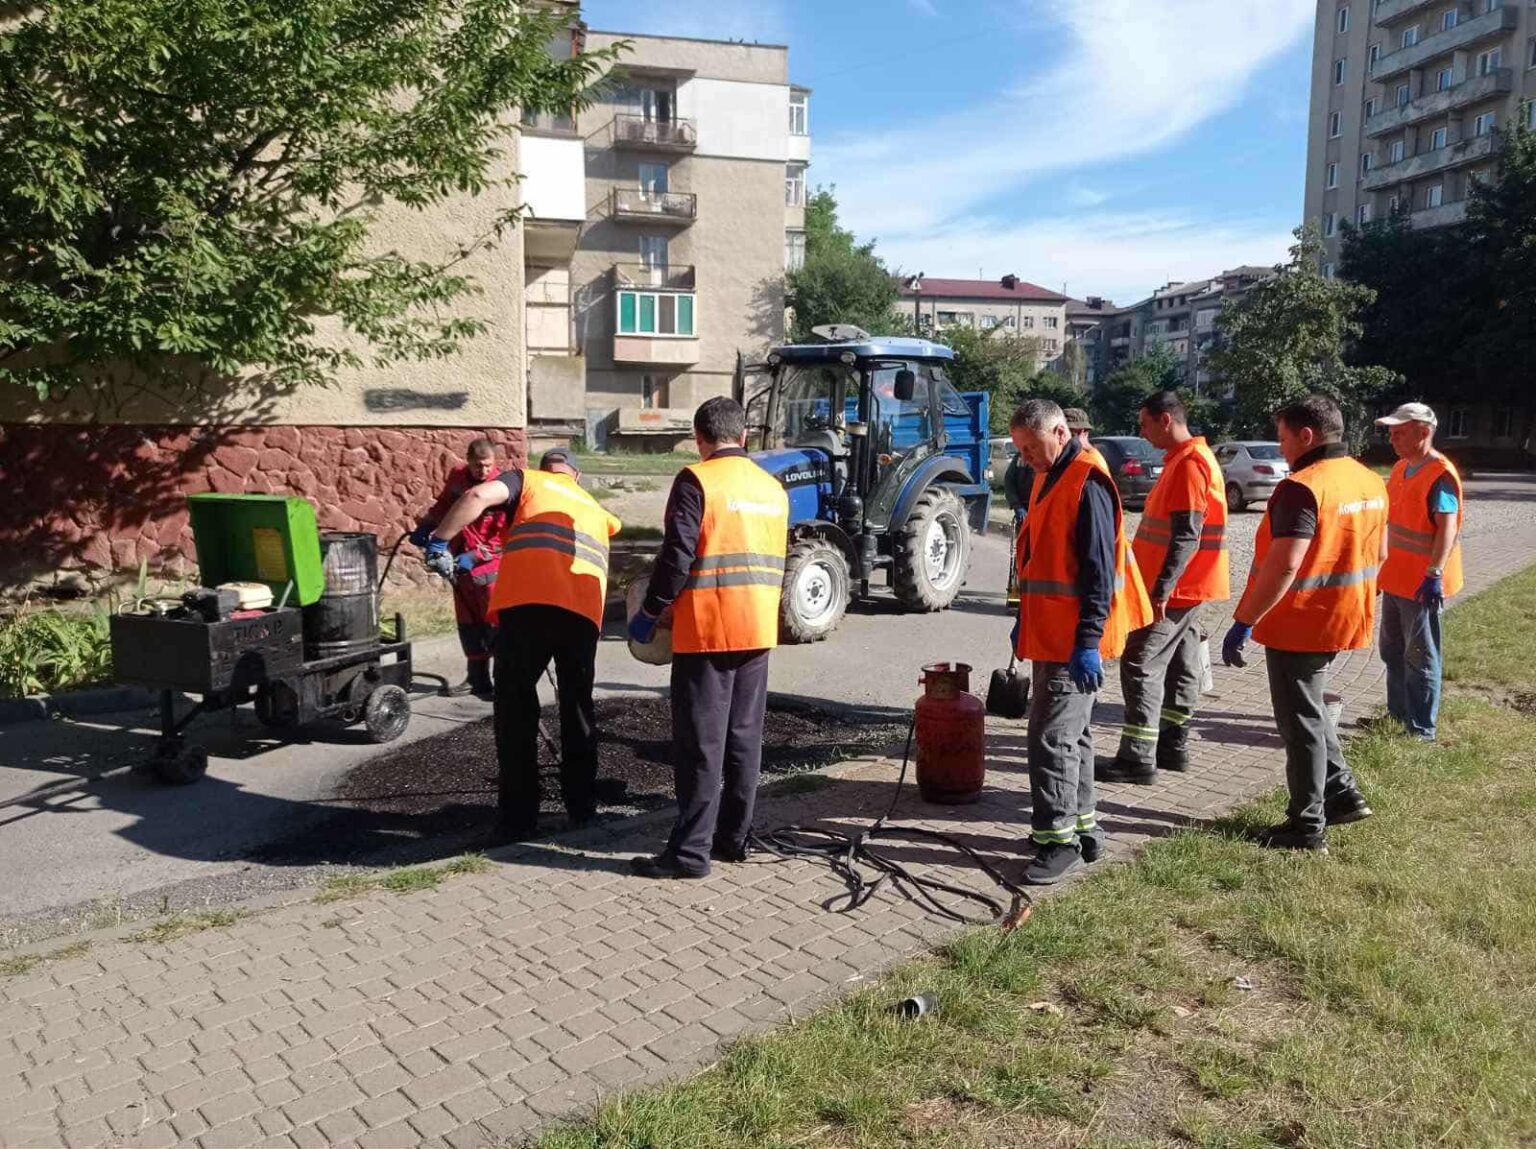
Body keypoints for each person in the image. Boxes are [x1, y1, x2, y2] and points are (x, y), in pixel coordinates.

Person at [627, 397, 790, 879]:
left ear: (699, 439)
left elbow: (676, 556)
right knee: (744, 738)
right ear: (743, 436)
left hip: (708, 629)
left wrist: (650, 612)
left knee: (701, 743)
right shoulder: (772, 487)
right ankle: (734, 839)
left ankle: (689, 854)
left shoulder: (697, 480)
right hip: (758, 628)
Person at [429, 448, 621, 839]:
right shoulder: (596, 508)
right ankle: (582, 810)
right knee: (577, 709)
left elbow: (477, 495)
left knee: (515, 710)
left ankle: (518, 821)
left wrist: (439, 541)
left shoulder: (527, 480)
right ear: (576, 476)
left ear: (542, 470)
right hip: (583, 615)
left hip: (529, 609)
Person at [1222, 395, 1386, 852]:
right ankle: (1342, 793)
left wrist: (1244, 620)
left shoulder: (1302, 488)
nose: (1281, 448)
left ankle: (1306, 826)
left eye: (1283, 438)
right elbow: (1382, 553)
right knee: (1311, 710)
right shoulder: (1369, 479)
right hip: (1346, 614)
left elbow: (1285, 565)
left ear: (1307, 436)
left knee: (1300, 724)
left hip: (1300, 622)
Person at [1010, 399, 1152, 884]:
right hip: (1052, 634)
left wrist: (1087, 642)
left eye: (1031, 447)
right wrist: (1024, 616)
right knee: (1075, 735)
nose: (1026, 457)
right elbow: (1041, 558)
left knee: (1051, 738)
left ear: (1060, 432)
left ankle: (1058, 841)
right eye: (1020, 449)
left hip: (1072, 641)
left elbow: (1098, 574)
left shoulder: (1087, 483)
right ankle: (1085, 828)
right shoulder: (1049, 476)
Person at [1098, 391, 1229, 783]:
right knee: (1181, 662)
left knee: (1140, 663)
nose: (1142, 432)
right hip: (1187, 585)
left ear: (1166, 420)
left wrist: (1161, 589)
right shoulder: (1190, 459)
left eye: (1145, 424)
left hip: (1173, 588)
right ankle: (1173, 744)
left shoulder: (1190, 464)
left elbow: (1186, 534)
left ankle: (1137, 758)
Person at [1374, 402, 1463, 741]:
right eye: (1391, 433)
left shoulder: (1439, 474)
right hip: (1396, 578)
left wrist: (1434, 573)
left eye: (1399, 433)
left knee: (1420, 656)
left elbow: (1447, 527)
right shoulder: (1401, 468)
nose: (1392, 439)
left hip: (1421, 584)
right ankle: (1398, 716)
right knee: (1392, 651)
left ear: (1423, 433)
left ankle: (1421, 730)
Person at [409, 438, 506, 697]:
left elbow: (505, 535)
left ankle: (505, 685)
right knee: (469, 624)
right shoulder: (458, 479)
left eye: (487, 465)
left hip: (489, 568)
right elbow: (444, 506)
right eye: (477, 466)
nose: (483, 471)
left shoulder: (500, 488)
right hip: (458, 564)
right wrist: (427, 525)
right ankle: (477, 680)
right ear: (468, 461)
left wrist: (477, 555)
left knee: (496, 626)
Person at [1001, 451, 1035, 605]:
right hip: (1023, 511)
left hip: (1042, 510)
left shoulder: (1048, 457)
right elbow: (1009, 482)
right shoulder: (1019, 458)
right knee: (1021, 553)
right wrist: (1017, 506)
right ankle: (1018, 590)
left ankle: (1035, 594)